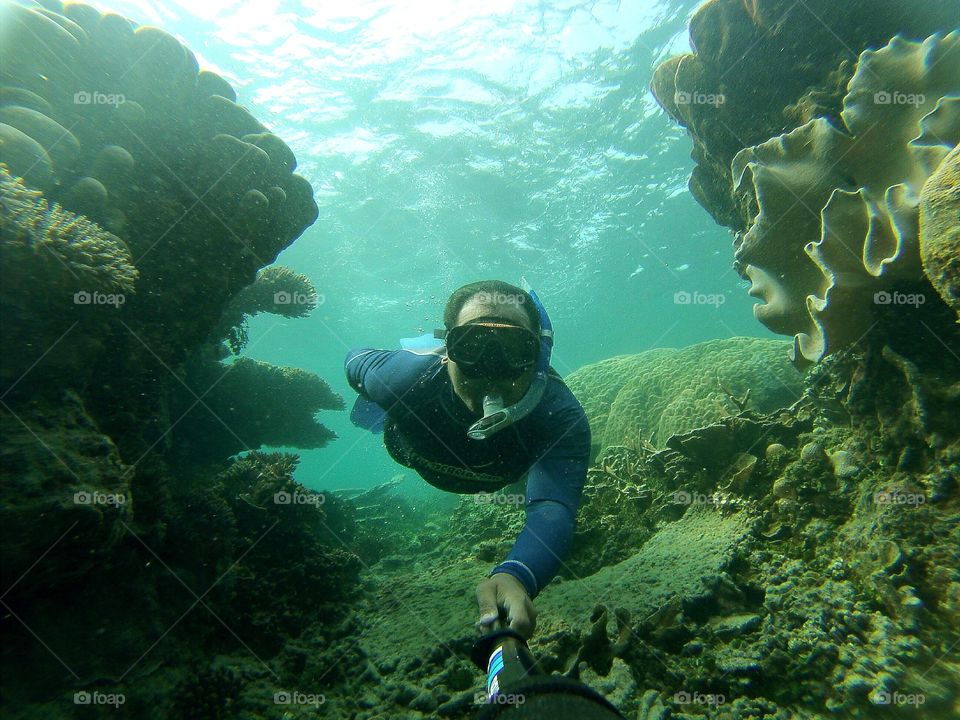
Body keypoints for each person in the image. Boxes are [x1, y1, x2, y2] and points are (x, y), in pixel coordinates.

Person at [344, 280, 590, 640]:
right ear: (448, 349)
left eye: (513, 348)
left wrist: (517, 574)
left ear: (537, 356)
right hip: (404, 445)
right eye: (470, 346)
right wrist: (366, 390)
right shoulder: (403, 380)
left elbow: (552, 507)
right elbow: (355, 358)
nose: (491, 368)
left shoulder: (559, 418)